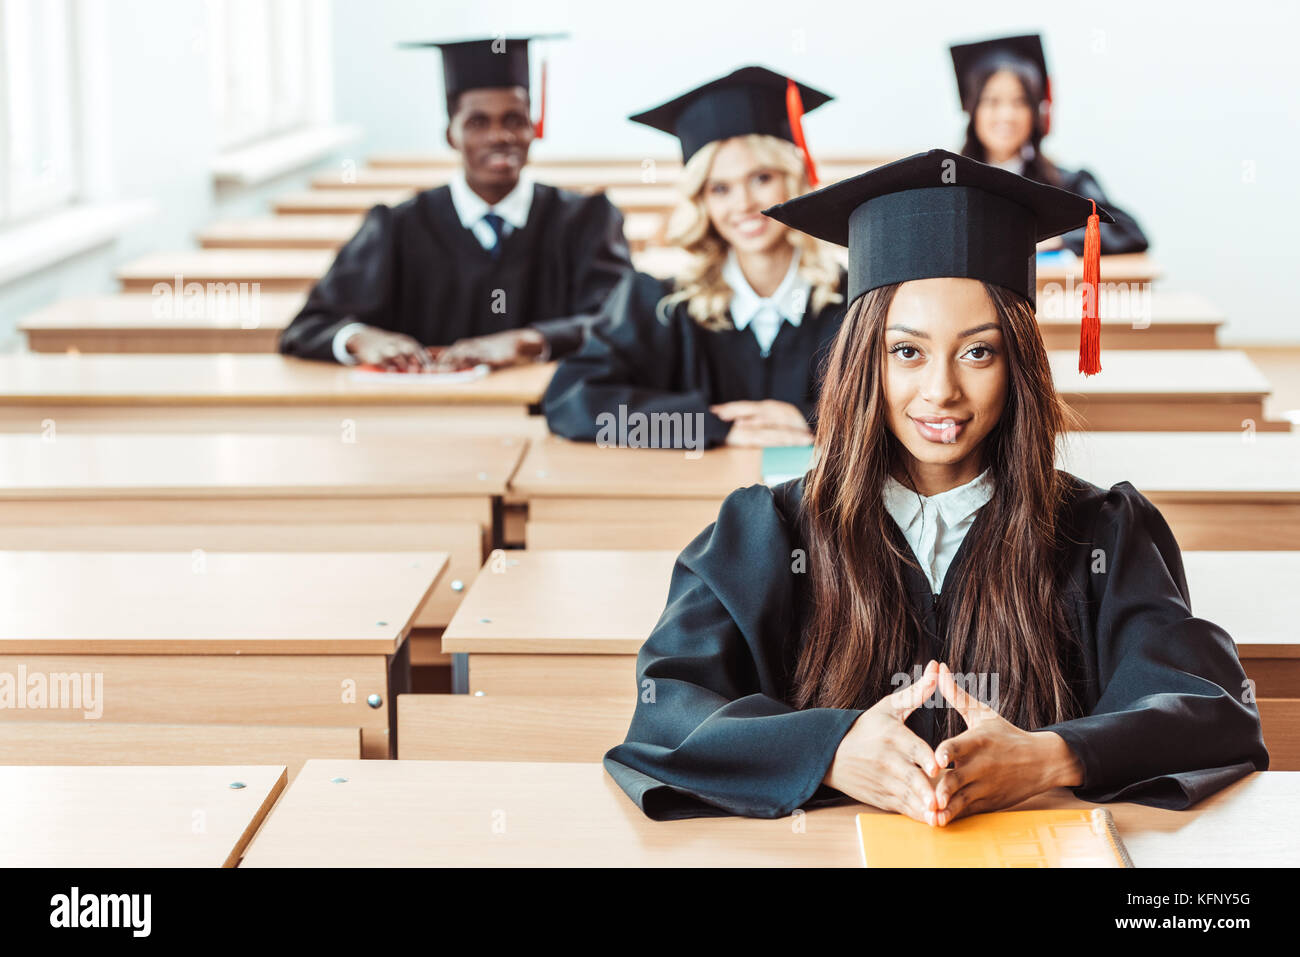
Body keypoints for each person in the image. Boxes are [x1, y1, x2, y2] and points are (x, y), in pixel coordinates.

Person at [604, 149, 1267, 822]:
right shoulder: (771, 533)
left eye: (978, 351)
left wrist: (1053, 755)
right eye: (907, 351)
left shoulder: (1099, 532)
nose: (941, 391)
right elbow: (670, 707)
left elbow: (1208, 707)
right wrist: (830, 750)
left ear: (1019, 365)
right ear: (866, 359)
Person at [278, 35, 632, 371]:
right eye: (478, 123)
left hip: (546, 416)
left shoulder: (585, 221)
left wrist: (531, 340)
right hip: (428, 418)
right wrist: (359, 339)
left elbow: (625, 322)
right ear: (451, 135)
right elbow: (308, 327)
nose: (500, 136)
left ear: (533, 130)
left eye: (515, 120)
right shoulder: (398, 228)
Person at [542, 67, 847, 449]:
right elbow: (571, 404)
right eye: (720, 188)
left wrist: (813, 419)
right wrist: (709, 426)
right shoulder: (661, 304)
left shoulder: (853, 301)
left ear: (795, 179)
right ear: (701, 201)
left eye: (762, 178)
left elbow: (904, 408)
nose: (744, 204)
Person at [950, 33, 1149, 255]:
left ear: (1035, 112)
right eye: (992, 101)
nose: (1006, 115)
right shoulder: (950, 185)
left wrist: (1057, 239)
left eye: (1020, 102)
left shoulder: (1065, 184)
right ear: (972, 109)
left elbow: (1127, 232)